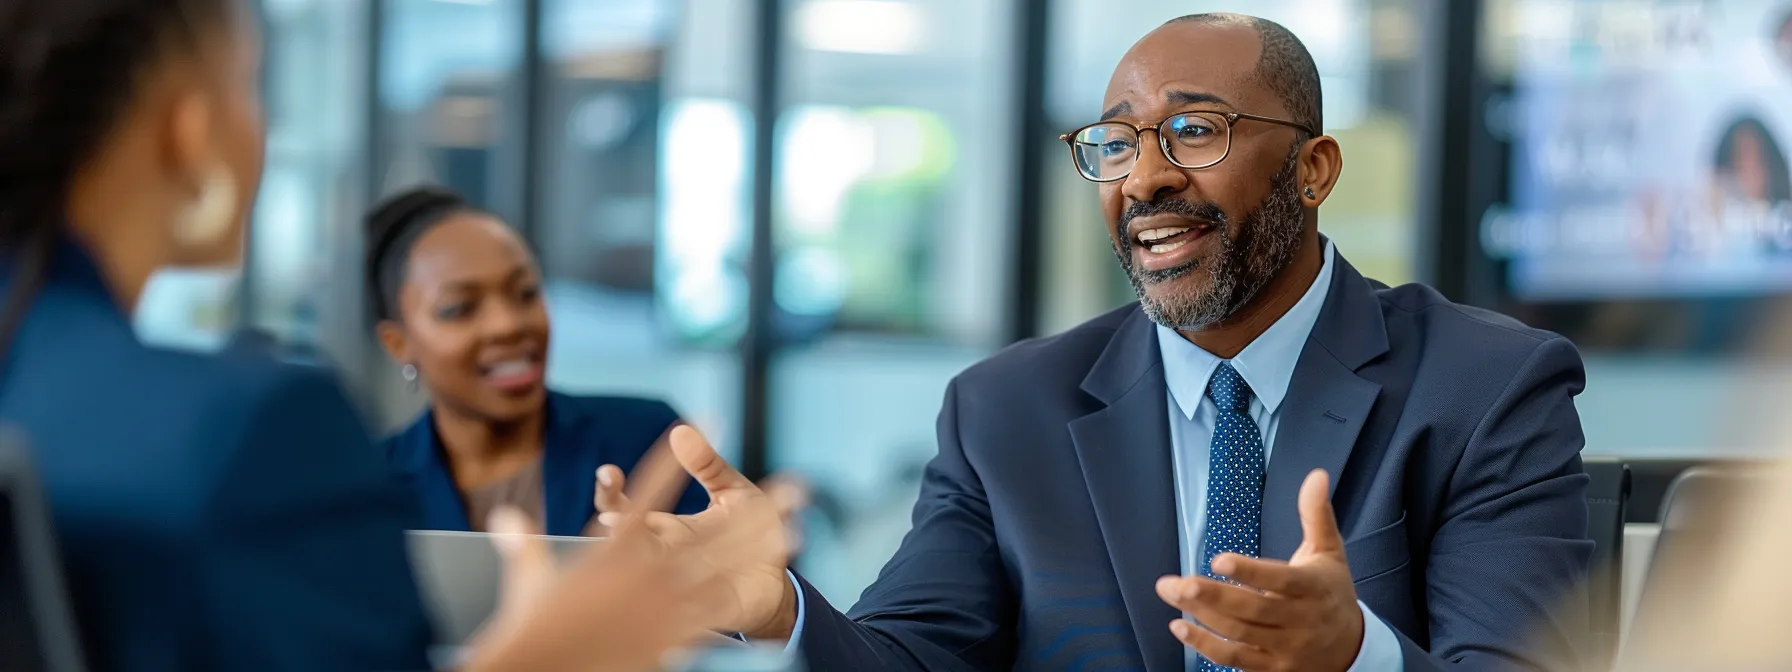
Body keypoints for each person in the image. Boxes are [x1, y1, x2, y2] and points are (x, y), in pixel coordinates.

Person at [601, 13, 1593, 672]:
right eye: (1115, 144)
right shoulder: (1007, 409)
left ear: (1314, 168)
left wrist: (1354, 654)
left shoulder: (1483, 386)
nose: (1145, 179)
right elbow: (914, 656)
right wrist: (782, 609)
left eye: (1194, 131)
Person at [0, 1, 772, 669]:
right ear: (189, 129)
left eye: (522, 292)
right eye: (249, 84)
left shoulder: (642, 438)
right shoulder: (254, 434)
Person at [366, 186, 707, 534]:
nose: (508, 325)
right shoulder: (365, 486)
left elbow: (728, 572)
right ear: (398, 343)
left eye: (526, 292)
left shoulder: (648, 440)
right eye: (460, 308)